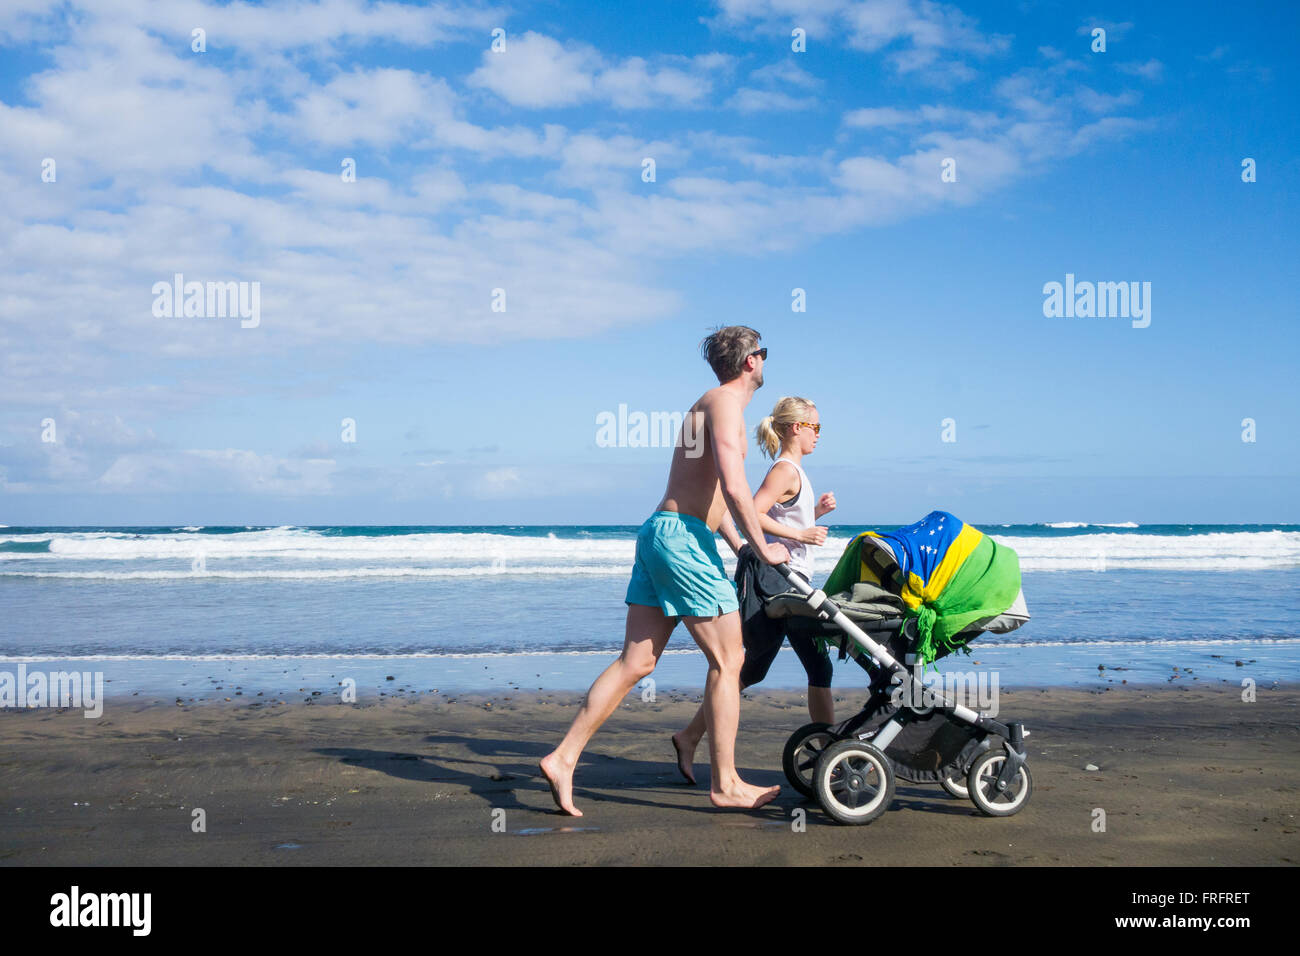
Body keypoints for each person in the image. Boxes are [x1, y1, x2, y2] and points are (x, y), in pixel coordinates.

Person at [539, 326, 790, 815]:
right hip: (681, 540)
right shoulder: (723, 405)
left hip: (664, 532)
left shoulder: (711, 404)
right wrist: (764, 549)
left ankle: (563, 758)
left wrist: (738, 545)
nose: (764, 360)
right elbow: (737, 490)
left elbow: (711, 499)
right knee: (730, 660)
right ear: (750, 362)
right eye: (763, 353)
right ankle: (727, 784)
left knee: (637, 661)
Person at [672, 396, 836, 785]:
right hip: (778, 581)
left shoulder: (794, 471)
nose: (819, 436)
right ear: (796, 428)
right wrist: (801, 532)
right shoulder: (785, 470)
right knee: (803, 662)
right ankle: (832, 750)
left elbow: (776, 517)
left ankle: (689, 735)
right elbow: (754, 514)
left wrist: (814, 517)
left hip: (787, 577)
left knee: (755, 668)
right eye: (816, 428)